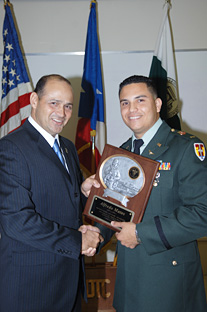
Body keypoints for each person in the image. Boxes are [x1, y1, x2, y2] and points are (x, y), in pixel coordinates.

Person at [97, 75, 207, 312]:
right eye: (125, 103)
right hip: (129, 281)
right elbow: (115, 210)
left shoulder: (185, 148)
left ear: (157, 105)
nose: (131, 109)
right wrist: (95, 234)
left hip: (169, 283)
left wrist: (141, 233)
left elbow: (202, 214)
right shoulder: (122, 153)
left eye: (140, 100)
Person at [0, 74, 101, 312]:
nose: (62, 113)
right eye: (53, 103)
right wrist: (78, 241)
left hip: (68, 282)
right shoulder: (11, 148)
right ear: (34, 100)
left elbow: (60, 200)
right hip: (31, 289)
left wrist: (83, 191)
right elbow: (16, 221)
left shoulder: (66, 147)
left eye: (68, 106)